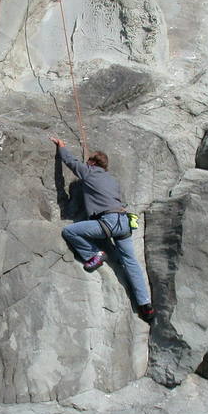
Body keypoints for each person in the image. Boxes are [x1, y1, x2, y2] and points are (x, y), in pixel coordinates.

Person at [51, 136, 155, 323]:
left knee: (70, 232)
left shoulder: (89, 172)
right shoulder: (112, 180)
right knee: (131, 262)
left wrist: (62, 147)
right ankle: (145, 305)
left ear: (91, 162)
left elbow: (70, 162)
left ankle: (94, 254)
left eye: (88, 161)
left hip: (107, 222)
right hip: (123, 223)